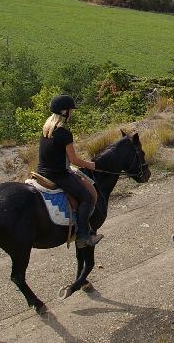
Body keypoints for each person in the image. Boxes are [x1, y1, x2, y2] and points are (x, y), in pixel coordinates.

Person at [36, 94, 103, 248]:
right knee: (86, 197)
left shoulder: (46, 128)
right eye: (70, 110)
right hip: (58, 175)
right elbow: (73, 160)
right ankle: (82, 237)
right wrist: (89, 165)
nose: (71, 113)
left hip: (41, 172)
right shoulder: (64, 133)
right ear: (64, 112)